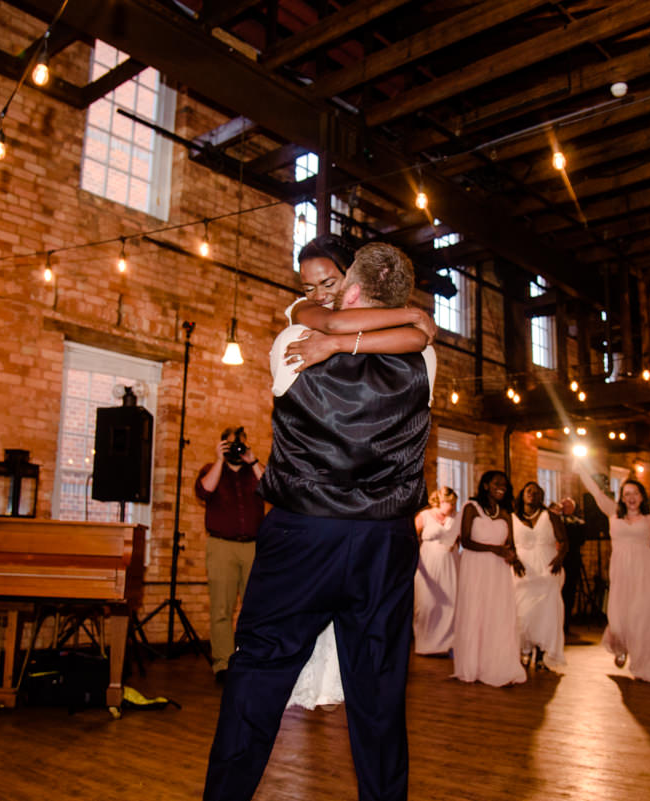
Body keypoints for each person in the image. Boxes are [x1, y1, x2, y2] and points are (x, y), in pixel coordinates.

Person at [203, 243, 435, 801]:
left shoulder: (291, 343)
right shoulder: (425, 358)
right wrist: (408, 315)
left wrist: (329, 328)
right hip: (385, 540)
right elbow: (406, 330)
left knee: (258, 673)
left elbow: (313, 316)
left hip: (303, 537)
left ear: (350, 289)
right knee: (379, 688)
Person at [280, 236, 435, 711]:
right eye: (308, 284)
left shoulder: (389, 322)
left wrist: (340, 346)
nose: (318, 291)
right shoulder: (302, 311)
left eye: (329, 280)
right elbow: (329, 320)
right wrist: (410, 317)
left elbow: (417, 337)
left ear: (352, 277)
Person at [576, 460, 650, 682]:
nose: (631, 497)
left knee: (644, 616)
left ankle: (644, 662)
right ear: (621, 497)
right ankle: (621, 645)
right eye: (626, 493)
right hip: (622, 572)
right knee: (619, 619)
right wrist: (580, 468)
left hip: (647, 571)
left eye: (635, 493)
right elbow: (594, 490)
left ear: (642, 496)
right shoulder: (612, 512)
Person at [194, 426, 264, 683]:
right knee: (221, 609)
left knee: (255, 608)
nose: (237, 448)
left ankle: (251, 659)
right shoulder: (211, 470)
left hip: (254, 548)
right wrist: (219, 460)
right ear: (223, 444)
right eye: (232, 444)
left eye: (241, 444)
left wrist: (253, 459)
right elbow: (204, 491)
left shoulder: (254, 471)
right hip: (221, 547)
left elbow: (272, 488)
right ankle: (222, 664)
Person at [452, 470, 527, 687]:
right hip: (475, 567)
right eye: (497, 483)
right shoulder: (471, 508)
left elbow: (510, 543)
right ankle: (472, 666)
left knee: (497, 614)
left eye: (505, 484)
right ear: (485, 485)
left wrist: (515, 559)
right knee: (476, 612)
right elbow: (465, 541)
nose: (501, 487)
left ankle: (497, 663)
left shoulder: (505, 513)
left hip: (498, 571)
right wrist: (494, 549)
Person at [512, 481, 568, 671]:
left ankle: (542, 654)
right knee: (523, 611)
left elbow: (564, 541)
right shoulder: (512, 517)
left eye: (536, 493)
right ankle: (524, 650)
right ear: (522, 494)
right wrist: (513, 560)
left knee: (546, 611)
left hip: (547, 568)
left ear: (541, 497)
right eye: (529, 491)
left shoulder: (550, 516)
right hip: (522, 569)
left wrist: (560, 558)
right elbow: (508, 543)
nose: (532, 495)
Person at [413, 487, 460, 656]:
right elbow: (412, 536)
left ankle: (446, 644)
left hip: (450, 563)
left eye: (455, 503)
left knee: (449, 603)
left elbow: (461, 538)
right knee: (427, 603)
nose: (453, 506)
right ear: (439, 501)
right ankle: (425, 644)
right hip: (428, 563)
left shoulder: (456, 517)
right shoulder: (425, 516)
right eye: (450, 503)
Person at [555, 497, 585, 629]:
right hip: (559, 559)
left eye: (569, 506)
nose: (566, 507)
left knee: (570, 590)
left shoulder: (579, 523)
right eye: (564, 505)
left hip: (572, 559)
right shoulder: (556, 521)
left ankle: (566, 623)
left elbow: (581, 539)